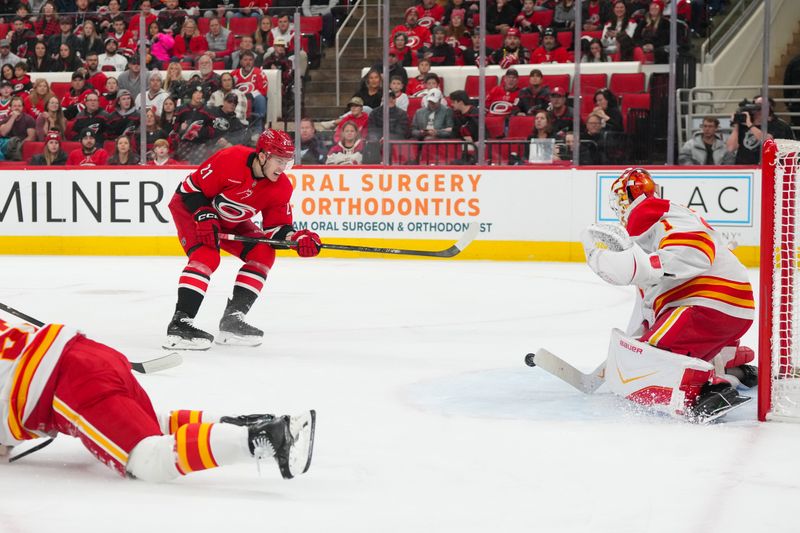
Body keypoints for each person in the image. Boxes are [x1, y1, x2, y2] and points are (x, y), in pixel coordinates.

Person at [0, 311, 316, 482]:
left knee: (148, 459)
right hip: (90, 354)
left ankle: (261, 438)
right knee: (151, 425)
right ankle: (241, 424)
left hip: (64, 384)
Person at [581, 167, 756, 420]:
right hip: (726, 309)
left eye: (620, 202)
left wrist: (632, 265)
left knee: (646, 360)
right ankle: (736, 369)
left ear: (629, 199)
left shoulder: (651, 212)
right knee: (650, 346)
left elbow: (695, 251)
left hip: (706, 305)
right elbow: (653, 289)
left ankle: (710, 391)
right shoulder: (664, 220)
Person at [163, 129, 322, 349]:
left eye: (287, 162)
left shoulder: (281, 187)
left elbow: (276, 230)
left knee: (263, 252)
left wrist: (296, 238)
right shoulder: (230, 159)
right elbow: (190, 190)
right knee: (207, 256)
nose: (283, 168)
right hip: (191, 210)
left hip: (229, 220)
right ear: (264, 155)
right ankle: (180, 325)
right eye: (279, 161)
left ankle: (232, 321)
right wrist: (204, 214)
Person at [726, 95, 795, 164]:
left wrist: (750, 125)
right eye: (755, 105)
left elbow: (768, 141)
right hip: (744, 168)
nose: (757, 108)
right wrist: (736, 125)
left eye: (761, 106)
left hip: (769, 167)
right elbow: (730, 148)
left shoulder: (779, 125)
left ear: (770, 108)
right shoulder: (744, 124)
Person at [784, 53, 800, 129]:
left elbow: (787, 83)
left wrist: (788, 102)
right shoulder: (794, 62)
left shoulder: (793, 62)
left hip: (795, 101)